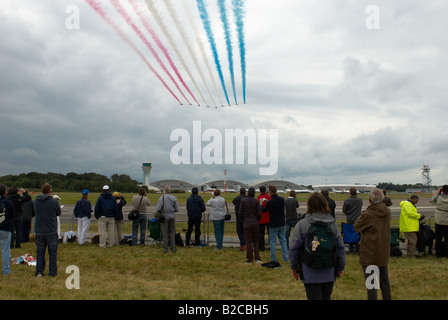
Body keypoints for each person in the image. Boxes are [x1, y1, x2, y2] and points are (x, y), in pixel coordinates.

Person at [289, 192, 345, 300]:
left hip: (310, 271)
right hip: (329, 269)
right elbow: (340, 247)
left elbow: (293, 248)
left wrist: (294, 266)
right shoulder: (332, 224)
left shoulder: (302, 224)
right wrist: (341, 266)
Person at [354, 188, 391, 300]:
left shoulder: (368, 214)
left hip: (370, 252)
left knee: (372, 284)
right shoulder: (387, 211)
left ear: (369, 199)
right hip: (383, 250)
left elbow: (357, 227)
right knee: (384, 281)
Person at [34, 183, 61, 277]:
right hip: (51, 230)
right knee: (52, 252)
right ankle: (52, 272)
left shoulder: (36, 201)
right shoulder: (54, 202)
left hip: (39, 230)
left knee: (40, 251)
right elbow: (58, 212)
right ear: (50, 191)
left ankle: (39, 271)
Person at [262, 185, 288, 267]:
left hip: (273, 224)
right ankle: (285, 257)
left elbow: (264, 210)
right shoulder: (282, 199)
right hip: (281, 223)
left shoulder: (270, 202)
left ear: (270, 191)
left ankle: (274, 258)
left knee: (272, 241)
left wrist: (261, 204)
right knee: (283, 240)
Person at [239, 187, 262, 263]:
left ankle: (249, 259)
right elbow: (259, 214)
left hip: (247, 223)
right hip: (255, 222)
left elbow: (239, 213)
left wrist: (244, 220)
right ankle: (257, 257)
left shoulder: (243, 201)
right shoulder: (256, 201)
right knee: (256, 241)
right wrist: (256, 220)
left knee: (248, 242)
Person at [157, 186, 179, 253]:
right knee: (172, 233)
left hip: (164, 217)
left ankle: (165, 249)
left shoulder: (161, 198)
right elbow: (177, 209)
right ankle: (173, 248)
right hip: (172, 216)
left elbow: (158, 209)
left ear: (164, 191)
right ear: (170, 191)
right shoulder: (174, 198)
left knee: (165, 233)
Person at [342, 187, 363, 253]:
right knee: (357, 233)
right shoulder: (360, 199)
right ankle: (357, 247)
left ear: (350, 192)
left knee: (350, 232)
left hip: (350, 219)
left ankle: (351, 247)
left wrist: (348, 213)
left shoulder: (347, 200)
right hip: (358, 219)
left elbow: (344, 210)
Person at [0, 184, 15, 275]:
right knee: (5, 251)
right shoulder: (8, 203)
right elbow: (12, 215)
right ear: (5, 192)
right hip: (5, 228)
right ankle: (6, 271)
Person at [430, 185, 448, 258]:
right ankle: (447, 253)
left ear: (442, 190)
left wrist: (437, 193)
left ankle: (438, 253)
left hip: (439, 220)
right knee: (447, 238)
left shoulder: (438, 198)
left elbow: (432, 201)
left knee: (438, 238)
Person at [257, 186, 270, 251]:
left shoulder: (258, 198)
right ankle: (271, 246)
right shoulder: (269, 197)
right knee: (270, 233)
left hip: (261, 218)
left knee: (261, 234)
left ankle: (262, 247)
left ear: (260, 190)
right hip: (268, 218)